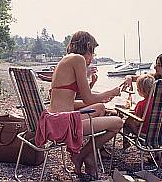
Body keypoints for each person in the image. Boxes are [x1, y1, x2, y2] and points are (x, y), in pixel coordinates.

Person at [49, 31, 123, 176]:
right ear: (88, 46)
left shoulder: (66, 59)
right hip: (63, 125)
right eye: (92, 52)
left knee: (100, 108)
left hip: (54, 118)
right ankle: (82, 155)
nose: (92, 57)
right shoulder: (78, 59)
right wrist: (112, 92)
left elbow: (69, 99)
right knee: (118, 123)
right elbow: (87, 99)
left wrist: (97, 94)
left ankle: (89, 154)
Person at [121, 53, 162, 161]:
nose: (154, 66)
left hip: (155, 129)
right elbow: (139, 78)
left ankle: (138, 143)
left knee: (129, 120)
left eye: (158, 65)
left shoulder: (157, 83)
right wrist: (129, 77)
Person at [122, 74, 155, 150]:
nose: (137, 90)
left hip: (144, 134)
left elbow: (138, 122)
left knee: (128, 121)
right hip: (157, 133)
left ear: (142, 90)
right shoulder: (159, 103)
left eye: (138, 89)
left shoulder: (141, 104)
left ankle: (126, 142)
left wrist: (131, 115)